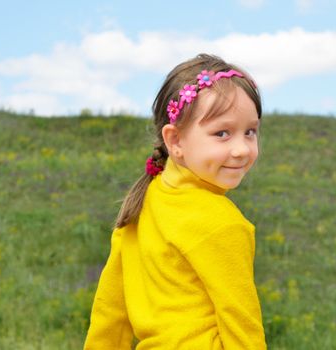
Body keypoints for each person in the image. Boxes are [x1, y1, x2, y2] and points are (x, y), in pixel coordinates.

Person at [84, 53, 266, 349]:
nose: (241, 149)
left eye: (250, 132)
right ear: (175, 140)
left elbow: (110, 314)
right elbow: (243, 328)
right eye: (222, 133)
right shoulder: (221, 221)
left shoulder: (144, 202)